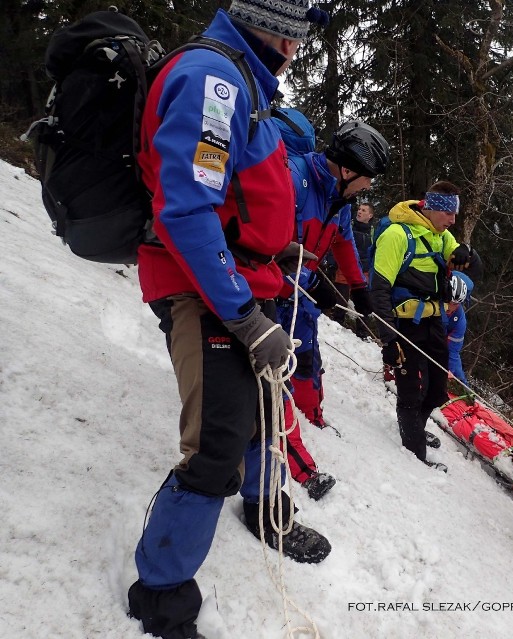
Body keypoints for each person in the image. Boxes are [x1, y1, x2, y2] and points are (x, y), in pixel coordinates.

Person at [128, 3, 330, 638]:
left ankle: (266, 507)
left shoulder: (243, 81)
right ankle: (161, 591)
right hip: (206, 289)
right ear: (263, 24)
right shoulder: (216, 81)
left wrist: (275, 247)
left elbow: (237, 190)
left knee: (264, 414)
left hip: (245, 277)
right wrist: (244, 317)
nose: (295, 51)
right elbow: (187, 209)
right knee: (217, 440)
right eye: (292, 35)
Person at [277, 120, 389, 429]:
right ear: (348, 170)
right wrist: (310, 283)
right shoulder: (293, 179)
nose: (368, 187)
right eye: (368, 179)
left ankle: (312, 420)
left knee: (307, 358)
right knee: (274, 364)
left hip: (301, 297)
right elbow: (270, 247)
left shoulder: (341, 199)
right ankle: (282, 427)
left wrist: (359, 287)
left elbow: (344, 240)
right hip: (271, 292)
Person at [371, 181, 482, 471]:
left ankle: (415, 429)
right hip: (404, 324)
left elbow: (475, 269)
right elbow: (379, 290)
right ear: (432, 209)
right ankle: (415, 455)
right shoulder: (397, 235)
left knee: (436, 391)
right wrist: (388, 339)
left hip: (434, 322)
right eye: (449, 214)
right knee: (411, 390)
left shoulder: (441, 236)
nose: (453, 221)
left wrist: (467, 253)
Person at [332, 201, 376, 338]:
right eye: (359, 209)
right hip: (345, 268)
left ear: (370, 215)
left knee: (363, 300)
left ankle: (362, 332)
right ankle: (336, 325)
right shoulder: (348, 227)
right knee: (341, 298)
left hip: (365, 271)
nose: (360, 212)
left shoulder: (373, 233)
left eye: (364, 210)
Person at [446, 270, 474, 385]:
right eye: (449, 301)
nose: (449, 307)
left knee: (458, 373)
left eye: (455, 304)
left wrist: (449, 372)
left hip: (445, 340)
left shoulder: (460, 320)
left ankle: (465, 392)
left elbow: (453, 350)